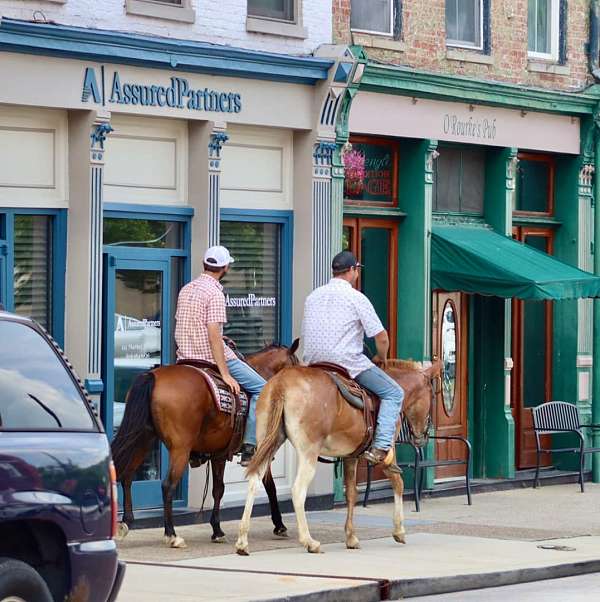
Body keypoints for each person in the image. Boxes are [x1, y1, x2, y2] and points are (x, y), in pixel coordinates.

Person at [302, 251, 404, 471]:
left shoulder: (313, 296)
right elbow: (381, 337)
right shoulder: (357, 298)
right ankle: (381, 447)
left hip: (313, 364)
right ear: (352, 271)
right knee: (394, 393)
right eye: (357, 270)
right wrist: (381, 357)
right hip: (346, 363)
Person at [174, 245, 265, 466]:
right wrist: (225, 373)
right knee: (263, 388)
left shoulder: (186, 289)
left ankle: (199, 448)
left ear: (205, 264)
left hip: (185, 358)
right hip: (209, 358)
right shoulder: (215, 293)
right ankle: (249, 446)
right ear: (224, 268)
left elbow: (186, 325)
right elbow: (214, 334)